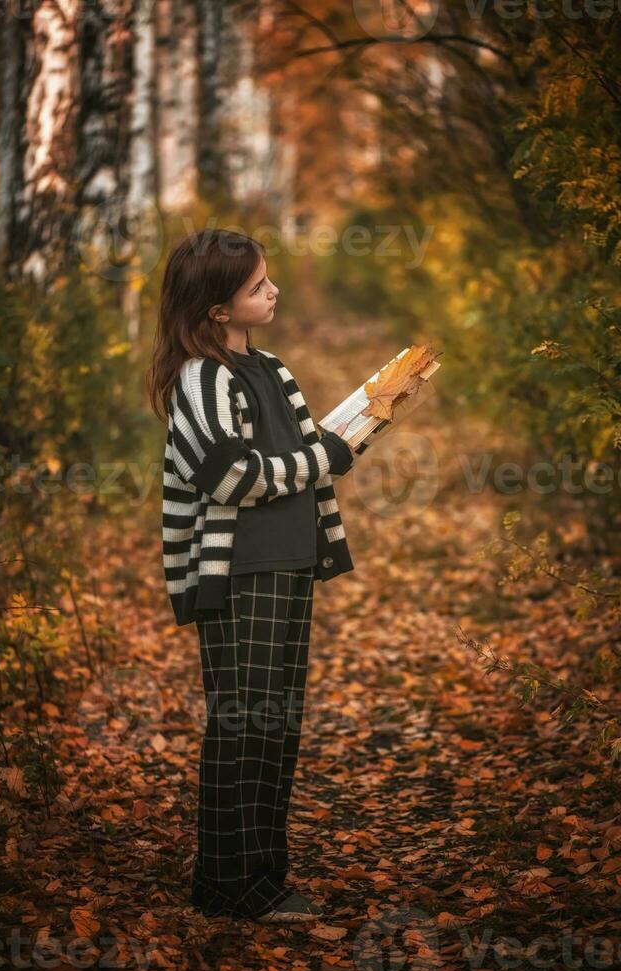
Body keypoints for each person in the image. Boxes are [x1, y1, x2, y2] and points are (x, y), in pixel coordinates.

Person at [147, 228, 356, 924]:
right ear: (216, 308)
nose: (273, 292)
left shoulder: (271, 368)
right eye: (257, 286)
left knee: (276, 726)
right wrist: (328, 457)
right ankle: (232, 885)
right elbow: (231, 476)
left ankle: (257, 878)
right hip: (239, 572)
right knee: (244, 726)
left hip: (289, 560)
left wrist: (337, 442)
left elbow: (291, 456)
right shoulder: (201, 378)